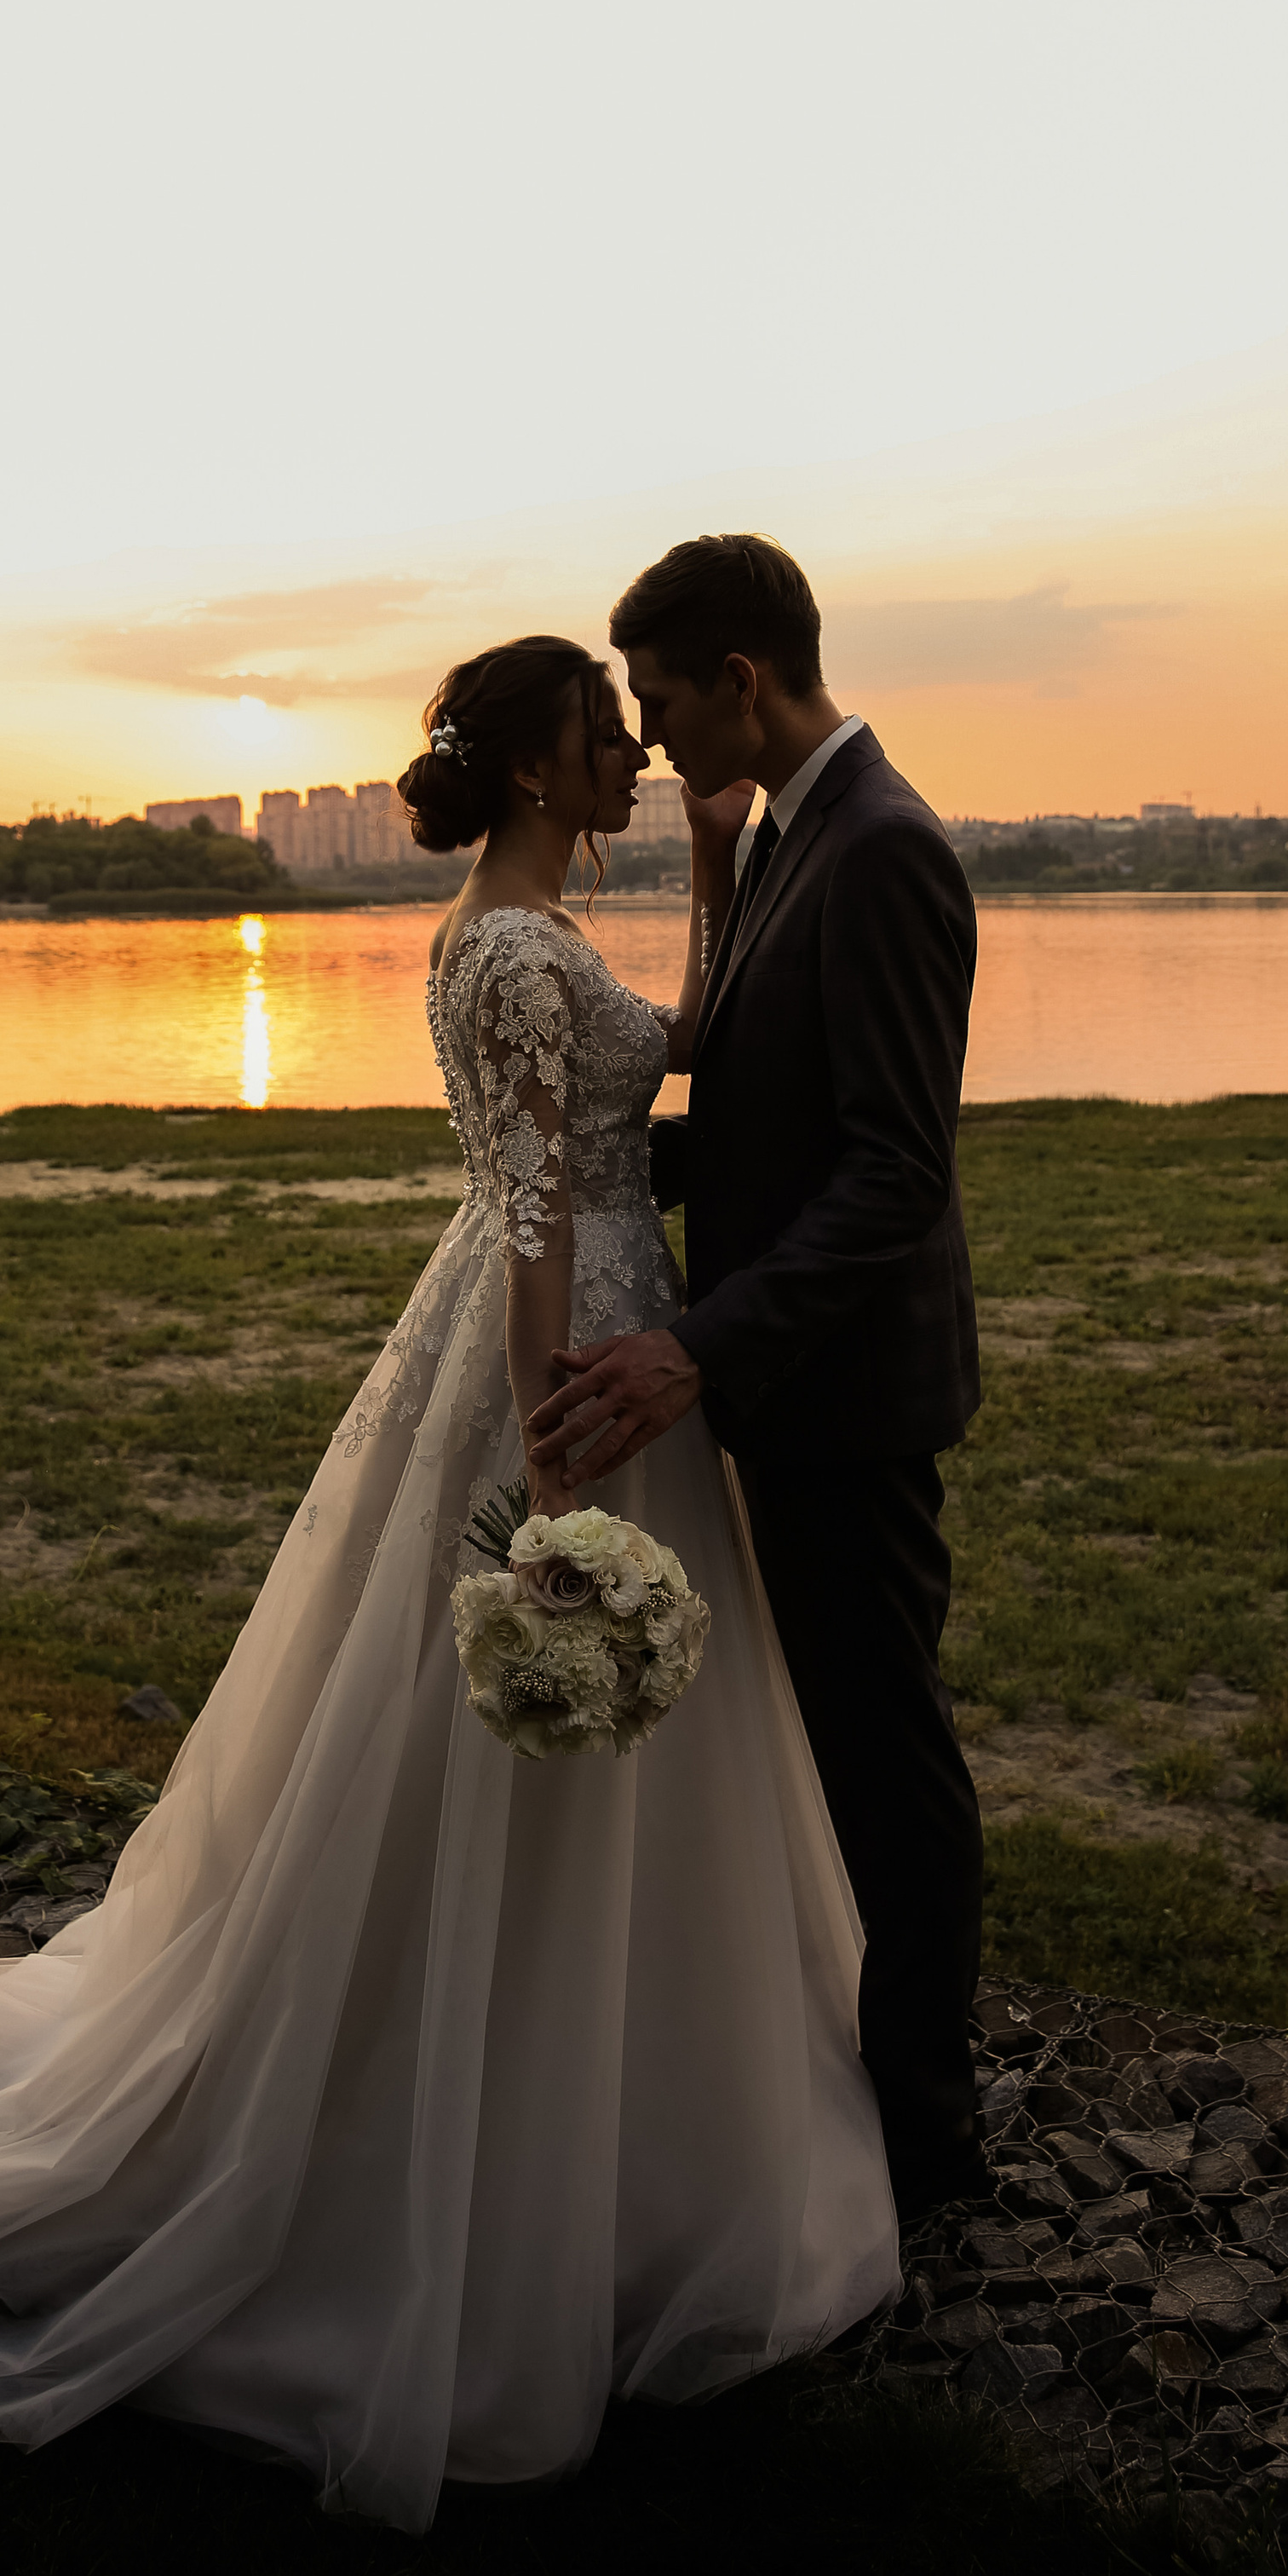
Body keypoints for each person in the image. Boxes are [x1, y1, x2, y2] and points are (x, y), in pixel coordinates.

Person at [0, 631, 895, 2534]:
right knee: (534, 1720)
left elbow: (666, 1051)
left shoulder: (500, 933)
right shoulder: (514, 951)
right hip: (571, 1345)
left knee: (605, 1752)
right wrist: (549, 1435)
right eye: (600, 736)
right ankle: (491, 2171)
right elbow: (540, 1203)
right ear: (538, 768)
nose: (628, 753)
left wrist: (711, 869)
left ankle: (616, 2133)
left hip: (581, 1320)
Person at [525, 536, 987, 2224]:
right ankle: (876, 2093)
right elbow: (765, 1107)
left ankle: (928, 2147)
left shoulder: (880, 849)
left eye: (654, 695)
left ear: (738, 678)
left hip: (846, 1393)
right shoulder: (799, 833)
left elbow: (888, 1173)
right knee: (846, 1738)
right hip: (796, 1385)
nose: (645, 735)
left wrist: (690, 1344)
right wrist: (580, 1170)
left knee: (884, 1754)